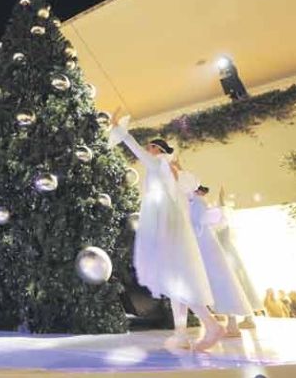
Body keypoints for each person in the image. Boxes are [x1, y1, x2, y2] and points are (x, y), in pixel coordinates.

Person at [109, 109, 223, 351]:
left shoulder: (158, 164)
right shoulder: (170, 171)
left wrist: (121, 130)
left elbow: (134, 149)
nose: (148, 149)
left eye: (151, 146)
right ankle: (181, 334)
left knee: (177, 280)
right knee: (174, 283)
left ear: (158, 151)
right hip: (172, 227)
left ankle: (210, 324)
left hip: (166, 227)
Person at [186, 184, 253, 337]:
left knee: (218, 283)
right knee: (218, 283)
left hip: (204, 248)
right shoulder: (195, 203)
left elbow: (200, 222)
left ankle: (226, 324)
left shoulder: (196, 203)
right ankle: (226, 324)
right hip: (204, 248)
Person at [212, 187, 263, 329]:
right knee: (241, 284)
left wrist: (221, 200)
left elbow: (221, 210)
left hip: (225, 255)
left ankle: (233, 320)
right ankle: (247, 317)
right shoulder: (224, 223)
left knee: (229, 286)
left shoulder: (218, 224)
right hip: (231, 254)